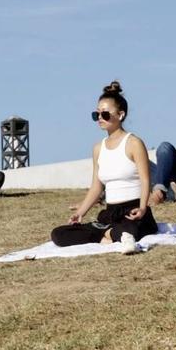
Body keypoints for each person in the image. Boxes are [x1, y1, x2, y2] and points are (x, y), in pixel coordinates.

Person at [49, 81, 157, 254]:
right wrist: (81, 212)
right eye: (96, 114)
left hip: (133, 210)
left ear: (120, 115)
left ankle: (113, 236)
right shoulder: (98, 148)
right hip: (111, 214)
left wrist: (143, 207)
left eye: (105, 114)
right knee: (59, 234)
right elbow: (97, 186)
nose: (100, 118)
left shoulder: (134, 143)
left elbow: (146, 180)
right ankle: (108, 236)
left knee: (131, 230)